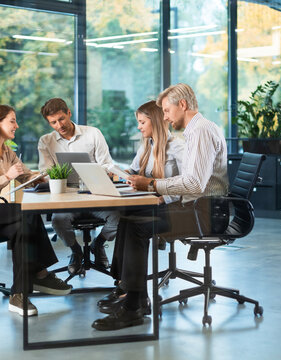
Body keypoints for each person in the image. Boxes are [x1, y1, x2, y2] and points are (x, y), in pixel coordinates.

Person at [92, 83, 229, 331]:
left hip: (204, 213)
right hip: (201, 208)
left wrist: (154, 184)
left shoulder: (200, 132)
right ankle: (130, 293)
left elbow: (195, 184)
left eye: (167, 110)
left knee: (136, 226)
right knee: (129, 217)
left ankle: (133, 306)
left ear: (182, 105)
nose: (164, 117)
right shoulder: (198, 130)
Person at [0, 104, 72, 317]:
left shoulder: (7, 151)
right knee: (24, 214)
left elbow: (26, 176)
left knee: (22, 226)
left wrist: (47, 178)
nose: (17, 125)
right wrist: (6, 177)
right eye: (12, 121)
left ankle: (19, 294)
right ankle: (40, 273)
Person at [96, 100, 184, 310]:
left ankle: (134, 295)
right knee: (125, 219)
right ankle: (124, 285)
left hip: (176, 210)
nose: (139, 126)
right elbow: (134, 172)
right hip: (156, 205)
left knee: (135, 225)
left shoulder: (177, 147)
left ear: (154, 121)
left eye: (142, 122)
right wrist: (118, 173)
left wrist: (162, 195)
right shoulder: (148, 145)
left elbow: (187, 185)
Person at [38, 98, 118, 274]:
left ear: (69, 113)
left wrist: (98, 172)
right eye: (53, 122)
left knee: (118, 217)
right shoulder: (46, 141)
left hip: (96, 196)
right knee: (58, 220)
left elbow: (107, 164)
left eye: (61, 119)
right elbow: (46, 173)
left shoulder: (93, 133)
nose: (59, 125)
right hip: (68, 199)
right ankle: (76, 251)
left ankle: (97, 245)